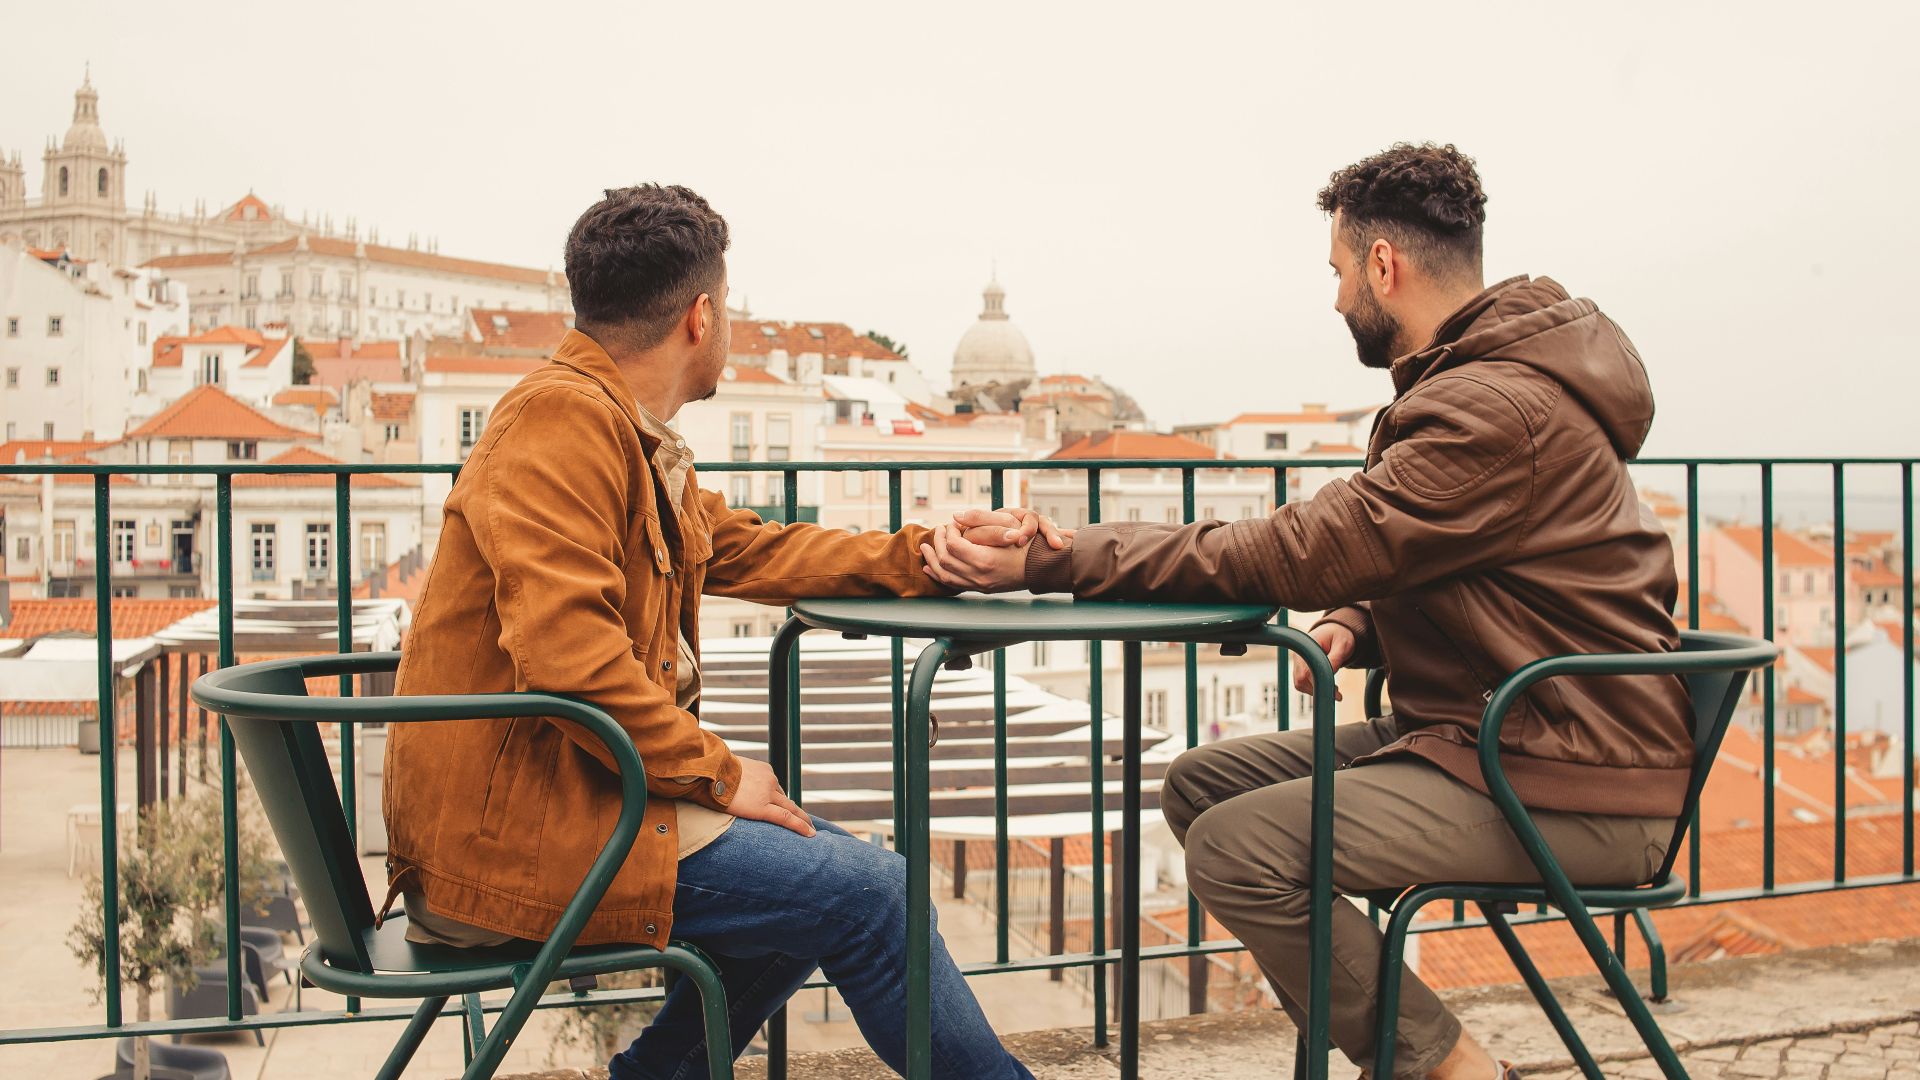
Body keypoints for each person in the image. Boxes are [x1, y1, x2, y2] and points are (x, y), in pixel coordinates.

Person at [927, 143, 1690, 1080]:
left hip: (1568, 776)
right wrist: (1363, 617)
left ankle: (1445, 1070)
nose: (1334, 300)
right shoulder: (1494, 384)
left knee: (1241, 849)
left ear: (1383, 264)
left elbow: (1292, 550)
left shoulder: (1487, 406)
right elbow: (1472, 553)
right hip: (1505, 735)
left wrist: (1059, 556)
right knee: (1200, 786)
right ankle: (1400, 1048)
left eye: (1336, 272)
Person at [385, 184, 1036, 1080]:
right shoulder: (561, 424)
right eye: (727, 306)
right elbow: (571, 657)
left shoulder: (614, 429)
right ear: (701, 316)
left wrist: (927, 550)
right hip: (519, 850)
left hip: (569, 811)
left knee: (828, 871)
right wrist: (720, 773)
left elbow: (757, 549)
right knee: (872, 894)